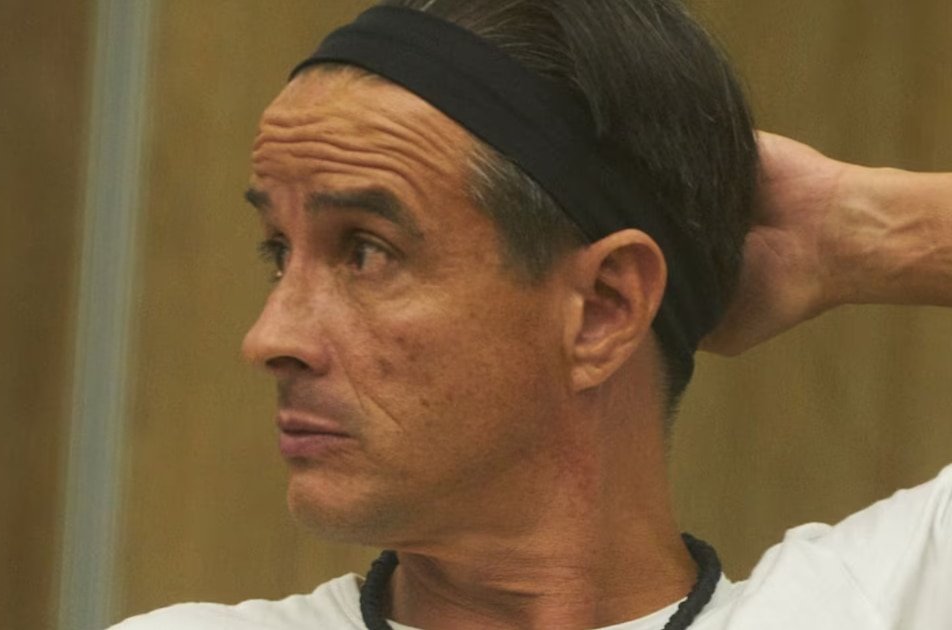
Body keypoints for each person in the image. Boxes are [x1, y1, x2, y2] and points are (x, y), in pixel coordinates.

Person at [113, 1, 952, 628]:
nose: (270, 338)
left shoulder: (881, 605)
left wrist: (857, 232)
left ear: (603, 309)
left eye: (366, 250)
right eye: (277, 252)